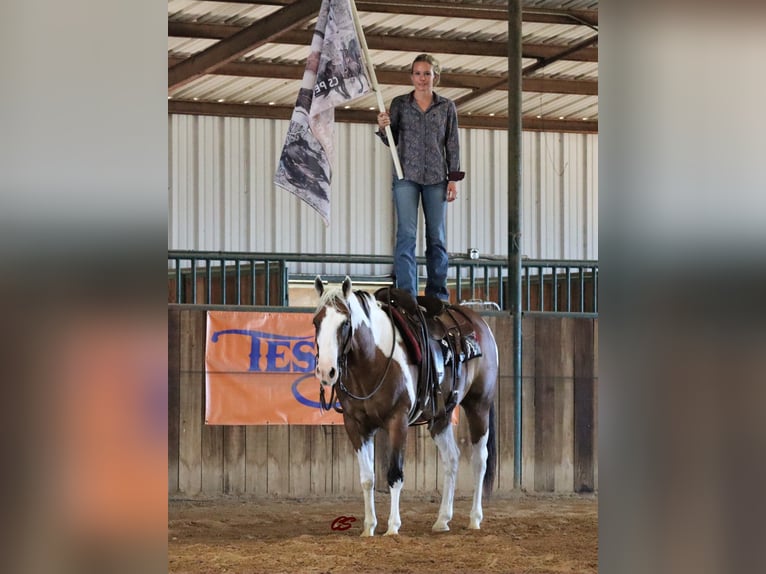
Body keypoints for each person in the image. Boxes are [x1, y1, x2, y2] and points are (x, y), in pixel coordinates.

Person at [375, 53, 464, 302]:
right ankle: (407, 295)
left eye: (427, 73)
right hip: (406, 176)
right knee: (406, 235)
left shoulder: (446, 107)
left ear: (436, 76)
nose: (422, 78)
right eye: (417, 73)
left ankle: (438, 294)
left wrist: (453, 179)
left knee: (437, 237)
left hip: (437, 177)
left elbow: (452, 144)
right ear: (411, 76)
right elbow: (390, 141)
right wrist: (384, 127)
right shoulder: (400, 104)